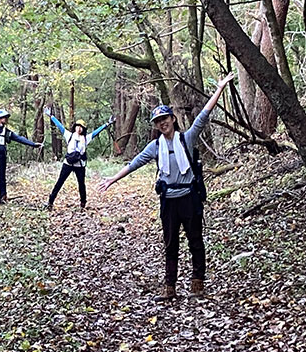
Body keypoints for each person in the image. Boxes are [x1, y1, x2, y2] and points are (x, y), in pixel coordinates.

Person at [98, 74, 235, 301]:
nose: (162, 123)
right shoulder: (155, 146)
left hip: (189, 198)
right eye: (158, 121)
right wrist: (113, 179)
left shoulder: (187, 138)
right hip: (168, 200)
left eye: (165, 118)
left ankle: (197, 283)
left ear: (172, 119)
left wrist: (219, 88)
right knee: (170, 244)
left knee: (195, 241)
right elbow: (134, 164)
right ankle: (169, 288)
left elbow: (203, 116)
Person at [43, 108, 113, 210]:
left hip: (79, 165)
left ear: (83, 129)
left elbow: (96, 132)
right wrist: (51, 116)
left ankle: (83, 203)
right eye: (77, 126)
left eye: (81, 127)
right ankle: (50, 202)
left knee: (81, 185)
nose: (79, 128)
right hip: (68, 163)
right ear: (75, 127)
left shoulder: (86, 138)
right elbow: (60, 126)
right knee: (59, 182)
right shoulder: (69, 135)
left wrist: (107, 124)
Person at [0, 99, 43, 205]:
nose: (6, 119)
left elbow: (19, 138)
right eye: (4, 117)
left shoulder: (7, 132)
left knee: (2, 178)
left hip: (1, 157)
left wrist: (33, 144)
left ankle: (3, 198)